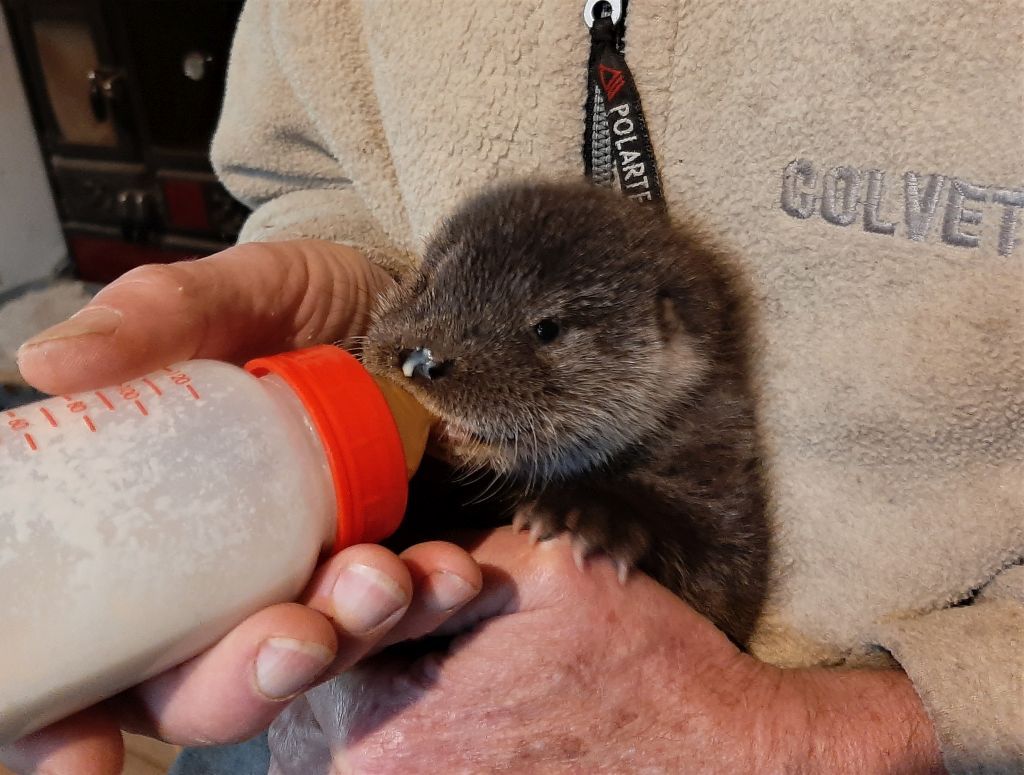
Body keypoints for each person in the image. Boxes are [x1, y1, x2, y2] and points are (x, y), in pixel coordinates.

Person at [3, 0, 1021, 772]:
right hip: (322, 677)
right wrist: (342, 279)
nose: (426, 362)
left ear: (666, 339)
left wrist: (834, 727)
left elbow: (709, 566)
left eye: (543, 337)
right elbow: (314, 170)